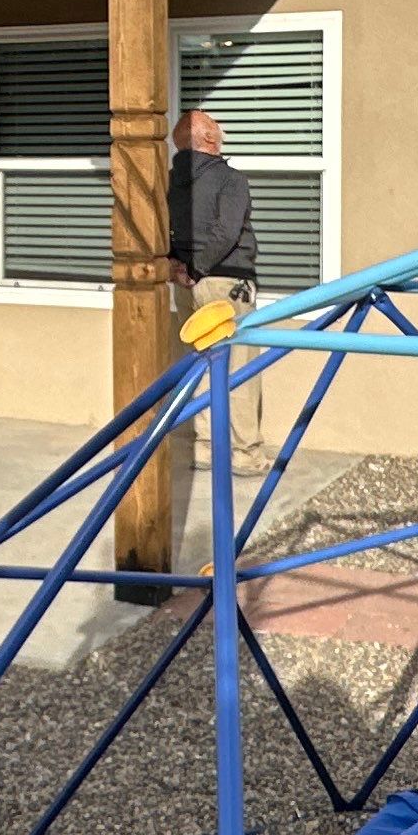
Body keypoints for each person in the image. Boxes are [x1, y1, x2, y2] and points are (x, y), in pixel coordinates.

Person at [166, 105, 263, 554]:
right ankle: (244, 455)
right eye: (217, 132)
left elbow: (163, 228)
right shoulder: (229, 178)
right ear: (207, 139)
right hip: (227, 282)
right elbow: (226, 230)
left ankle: (206, 447)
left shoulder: (171, 181)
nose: (221, 137)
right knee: (239, 364)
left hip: (190, 282)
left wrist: (183, 268)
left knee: (202, 364)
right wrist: (204, 266)